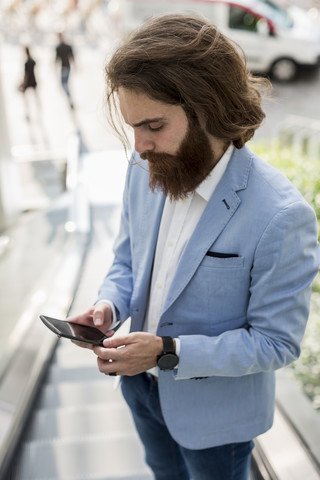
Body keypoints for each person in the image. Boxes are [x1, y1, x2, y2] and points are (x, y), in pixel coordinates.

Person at [68, 13, 320, 480]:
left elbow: (276, 343)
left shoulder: (282, 216)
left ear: (207, 108)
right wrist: (108, 305)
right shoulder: (144, 166)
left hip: (216, 423)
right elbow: (127, 260)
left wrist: (168, 351)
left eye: (153, 125)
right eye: (132, 127)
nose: (139, 146)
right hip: (140, 392)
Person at [55, 32, 75, 108]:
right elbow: (72, 57)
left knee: (64, 84)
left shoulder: (60, 47)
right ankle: (69, 99)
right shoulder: (65, 46)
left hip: (64, 68)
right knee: (65, 84)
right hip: (66, 67)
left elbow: (57, 59)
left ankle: (70, 99)